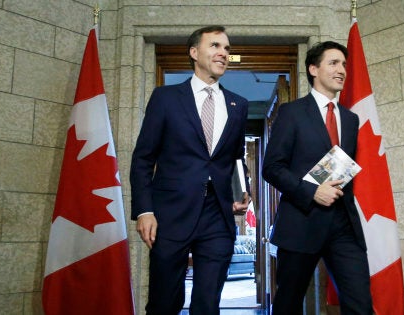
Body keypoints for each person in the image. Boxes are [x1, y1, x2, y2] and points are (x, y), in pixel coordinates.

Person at [130, 25, 249, 315]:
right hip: (170, 214)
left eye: (227, 48)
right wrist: (145, 211)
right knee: (164, 303)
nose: (223, 53)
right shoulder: (166, 98)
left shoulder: (238, 104)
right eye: (215, 46)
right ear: (194, 53)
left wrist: (240, 191)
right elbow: (143, 158)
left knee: (208, 305)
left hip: (217, 217)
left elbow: (235, 158)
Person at [262, 41, 373, 314]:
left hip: (343, 226)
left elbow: (343, 167)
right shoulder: (292, 112)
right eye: (333, 63)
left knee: (361, 304)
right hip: (302, 221)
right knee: (287, 304)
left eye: (344, 64)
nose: (342, 70)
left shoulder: (350, 120)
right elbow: (272, 168)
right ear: (313, 68)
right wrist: (312, 192)